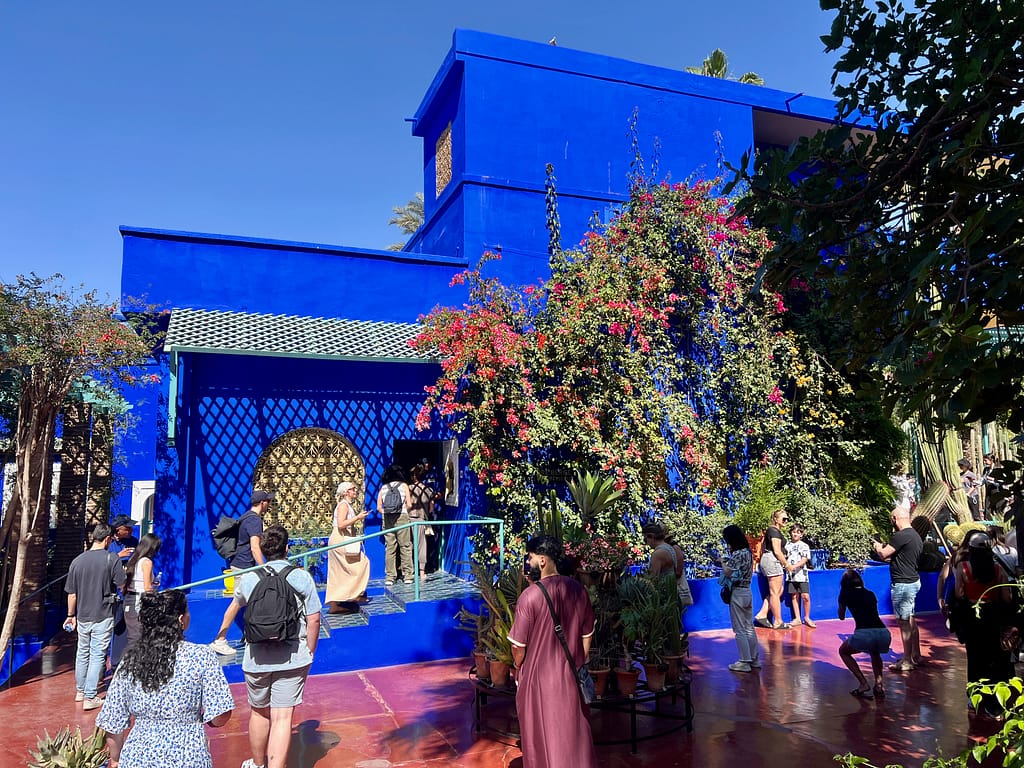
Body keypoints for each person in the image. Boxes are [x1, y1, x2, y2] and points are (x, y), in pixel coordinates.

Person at [212, 525, 321, 768]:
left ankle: (258, 763)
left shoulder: (250, 578)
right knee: (282, 717)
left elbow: (235, 606)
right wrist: (310, 650)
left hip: (256, 658)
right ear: (287, 549)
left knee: (259, 712)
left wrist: (221, 635)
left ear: (262, 550)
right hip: (293, 656)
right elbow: (314, 619)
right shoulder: (301, 577)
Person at [96, 590, 234, 768]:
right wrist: (206, 722)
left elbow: (112, 720)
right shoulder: (201, 656)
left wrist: (116, 758)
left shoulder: (130, 660)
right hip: (188, 755)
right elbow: (221, 713)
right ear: (181, 620)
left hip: (138, 758)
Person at [508, 535, 596, 768]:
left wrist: (518, 668)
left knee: (540, 736)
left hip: (538, 680)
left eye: (530, 557)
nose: (528, 562)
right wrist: (577, 663)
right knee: (574, 735)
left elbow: (518, 646)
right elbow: (587, 635)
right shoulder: (578, 590)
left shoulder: (530, 596)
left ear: (542, 560)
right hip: (571, 677)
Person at [65, 523, 127, 710]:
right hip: (103, 613)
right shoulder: (111, 558)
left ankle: (80, 691)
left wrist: (70, 615)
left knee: (82, 653)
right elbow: (122, 584)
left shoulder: (77, 561)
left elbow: (72, 594)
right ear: (107, 539)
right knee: (98, 654)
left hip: (83, 615)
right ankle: (90, 696)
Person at [955, 530, 1014, 718]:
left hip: (972, 618)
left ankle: (974, 696)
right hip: (993, 618)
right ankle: (994, 699)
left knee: (974, 657)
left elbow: (959, 594)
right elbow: (1006, 597)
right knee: (993, 657)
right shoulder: (998, 570)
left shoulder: (963, 568)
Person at [872, 504, 924, 672]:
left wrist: (877, 546)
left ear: (894, 519)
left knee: (904, 622)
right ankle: (916, 654)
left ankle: (907, 660)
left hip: (903, 584)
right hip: (912, 581)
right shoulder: (915, 535)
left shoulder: (901, 536)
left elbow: (883, 554)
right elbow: (900, 558)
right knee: (910, 619)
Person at [837, 569, 890, 699]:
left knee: (843, 651)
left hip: (864, 633)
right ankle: (879, 685)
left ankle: (863, 683)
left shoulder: (845, 595)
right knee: (875, 653)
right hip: (883, 632)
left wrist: (841, 603)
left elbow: (841, 617)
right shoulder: (870, 594)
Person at [325, 481, 370, 614]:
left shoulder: (346, 505)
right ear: (346, 492)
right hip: (340, 539)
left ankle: (337, 603)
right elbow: (341, 524)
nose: (355, 491)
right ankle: (355, 594)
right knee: (361, 563)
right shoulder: (343, 505)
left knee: (338, 571)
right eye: (352, 489)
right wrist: (358, 517)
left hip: (342, 538)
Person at [721, 524, 759, 672]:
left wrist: (723, 562)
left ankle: (744, 661)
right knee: (749, 626)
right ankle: (754, 659)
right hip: (747, 590)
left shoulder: (737, 554)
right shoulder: (747, 552)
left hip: (737, 592)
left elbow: (728, 572)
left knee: (739, 628)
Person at [642, 522, 695, 623]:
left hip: (664, 599)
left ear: (652, 537)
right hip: (672, 596)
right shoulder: (670, 548)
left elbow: (653, 579)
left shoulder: (658, 554)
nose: (646, 543)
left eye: (646, 539)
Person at [121, 534, 162, 654]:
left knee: (133, 636)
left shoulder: (133, 560)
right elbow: (147, 587)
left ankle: (127, 662)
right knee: (140, 638)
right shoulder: (147, 562)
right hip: (140, 601)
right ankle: (131, 662)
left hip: (129, 600)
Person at [754, 508, 791, 629]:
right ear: (775, 519)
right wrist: (787, 565)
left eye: (787, 519)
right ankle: (778, 621)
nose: (786, 521)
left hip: (770, 560)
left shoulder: (774, 531)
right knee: (775, 592)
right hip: (772, 560)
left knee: (779, 590)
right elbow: (777, 551)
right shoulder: (773, 530)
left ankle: (762, 614)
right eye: (783, 519)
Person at [377, 464, 413, 586]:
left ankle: (390, 577)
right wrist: (403, 511)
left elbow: (379, 507)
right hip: (402, 517)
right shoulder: (404, 486)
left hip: (387, 518)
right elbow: (409, 504)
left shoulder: (383, 488)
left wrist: (386, 512)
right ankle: (407, 575)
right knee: (405, 546)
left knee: (390, 547)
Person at [230, 490, 272, 571]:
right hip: (244, 567)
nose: (269, 504)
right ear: (262, 503)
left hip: (238, 562)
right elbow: (254, 547)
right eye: (268, 501)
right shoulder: (254, 520)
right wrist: (263, 568)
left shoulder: (246, 516)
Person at [407, 464, 435, 580]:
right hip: (421, 519)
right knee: (422, 545)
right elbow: (431, 508)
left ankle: (409, 570)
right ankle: (422, 571)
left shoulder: (408, 488)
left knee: (408, 545)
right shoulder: (428, 490)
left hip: (409, 519)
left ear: (414, 476)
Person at [784, 523, 815, 628]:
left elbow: (804, 559)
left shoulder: (804, 546)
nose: (795, 534)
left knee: (805, 596)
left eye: (798, 532)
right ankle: (797, 618)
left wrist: (794, 566)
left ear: (801, 534)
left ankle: (807, 617)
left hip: (802, 575)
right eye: (793, 532)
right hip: (791, 576)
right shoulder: (787, 546)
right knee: (794, 596)